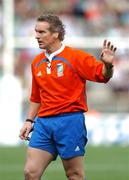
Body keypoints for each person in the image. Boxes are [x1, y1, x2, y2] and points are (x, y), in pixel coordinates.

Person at [19, 14, 117, 180]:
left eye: (41, 32)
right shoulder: (36, 62)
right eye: (36, 32)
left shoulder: (76, 57)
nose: (36, 36)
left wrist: (107, 65)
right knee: (30, 172)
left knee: (74, 174)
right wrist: (29, 121)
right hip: (43, 124)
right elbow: (36, 97)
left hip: (69, 123)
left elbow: (103, 76)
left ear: (55, 34)